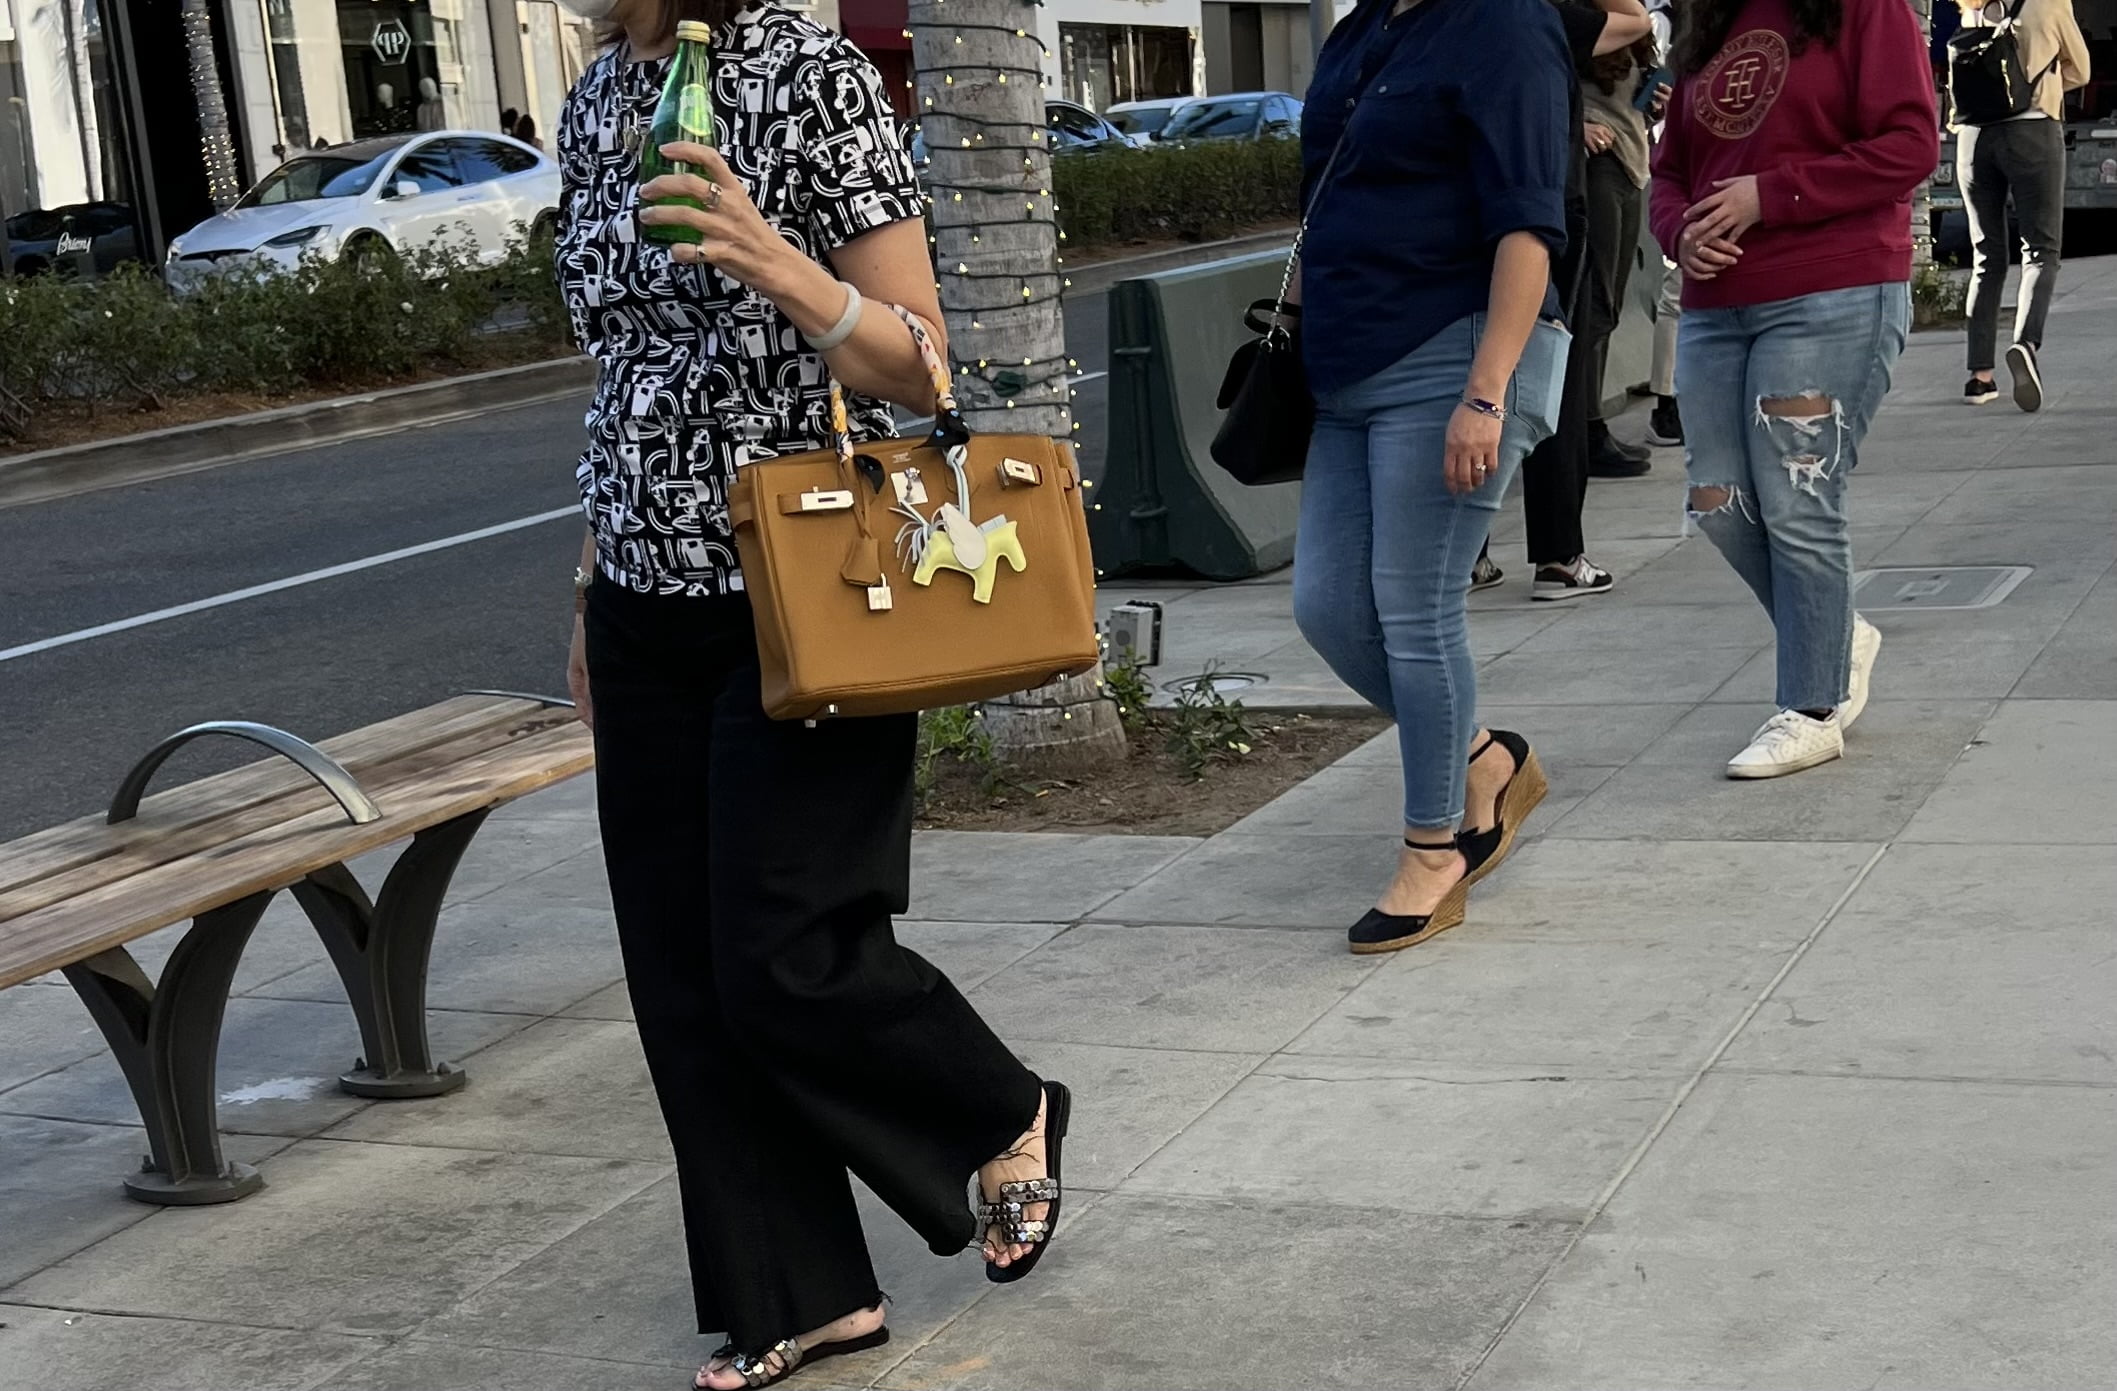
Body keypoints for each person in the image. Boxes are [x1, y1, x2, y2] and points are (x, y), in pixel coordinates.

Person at [551, 1, 1069, 1386]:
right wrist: (592, 577)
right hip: (646, 588)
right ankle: (797, 1291)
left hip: (813, 584)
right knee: (679, 970)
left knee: (780, 948)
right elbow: (623, 373)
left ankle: (996, 1104)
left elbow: (919, 361)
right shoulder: (601, 97)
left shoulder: (802, 70)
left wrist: (779, 265)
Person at [1289, 0, 1574, 953]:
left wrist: (1485, 392)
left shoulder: (1504, 24)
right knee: (1328, 607)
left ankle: (1433, 849)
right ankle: (1483, 759)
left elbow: (1528, 223)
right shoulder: (1361, 29)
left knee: (1415, 610)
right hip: (1343, 366)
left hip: (1450, 356)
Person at [1654, 0, 1938, 778]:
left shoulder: (1863, 9)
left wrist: (1768, 195)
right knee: (1714, 502)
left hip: (1832, 289)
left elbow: (1911, 145)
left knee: (1796, 495)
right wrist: (1677, 228)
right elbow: (1668, 171)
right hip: (1716, 308)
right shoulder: (1706, 20)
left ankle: (1812, 707)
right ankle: (1836, 634)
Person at [1473, 0, 1653, 601]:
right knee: (1555, 376)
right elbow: (1636, 18)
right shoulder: (1537, 15)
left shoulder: (1419, 25)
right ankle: (1558, 556)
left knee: (1464, 381)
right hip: (1545, 214)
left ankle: (1465, 553)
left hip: (1458, 221)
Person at [1956, 0, 2089, 412]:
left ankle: (1980, 378)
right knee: (2041, 250)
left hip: (1973, 139)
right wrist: (2039, 84)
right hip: (2033, 130)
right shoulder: (2050, 2)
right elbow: (2080, 68)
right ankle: (2025, 344)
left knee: (1986, 257)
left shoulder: (1970, 7)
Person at [1581, 35, 1660, 477]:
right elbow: (1536, 83)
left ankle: (1592, 429)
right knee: (1595, 302)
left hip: (1632, 162)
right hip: (1599, 165)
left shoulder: (1635, 26)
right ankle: (1586, 431)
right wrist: (1577, 124)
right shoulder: (1582, 21)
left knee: (1606, 306)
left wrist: (1654, 102)